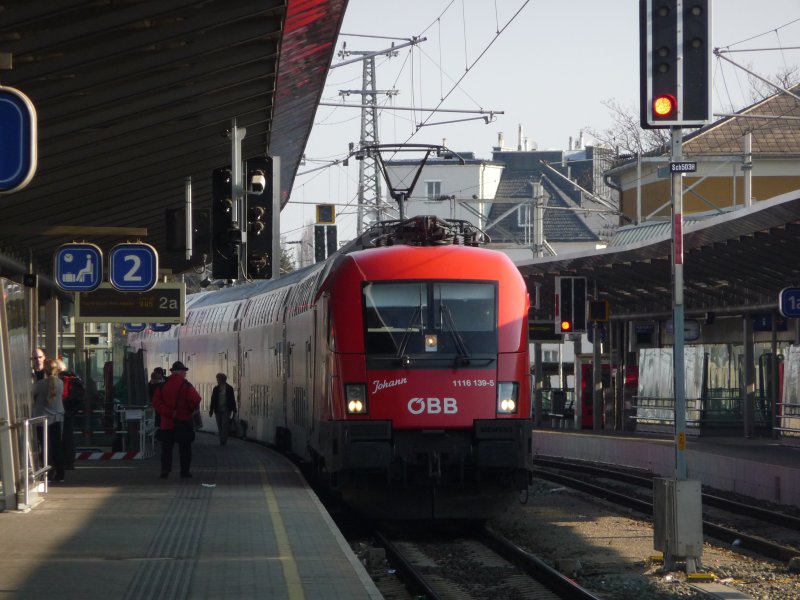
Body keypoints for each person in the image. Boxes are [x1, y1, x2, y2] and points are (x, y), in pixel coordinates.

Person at [153, 361, 201, 479]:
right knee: (185, 448)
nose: (185, 374)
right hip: (183, 421)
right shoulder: (186, 385)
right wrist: (188, 409)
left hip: (167, 423)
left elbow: (156, 403)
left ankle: (165, 469)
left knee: (166, 448)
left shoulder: (163, 385)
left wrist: (168, 412)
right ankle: (184, 471)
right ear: (180, 372)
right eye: (184, 372)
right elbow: (196, 399)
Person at [32, 358, 65, 482]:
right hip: (57, 418)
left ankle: (48, 473)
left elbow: (32, 393)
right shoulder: (60, 383)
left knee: (45, 447)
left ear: (45, 370)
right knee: (57, 446)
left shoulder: (40, 384)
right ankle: (60, 474)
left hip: (42, 420)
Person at [57, 358, 84, 471]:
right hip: (70, 411)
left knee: (62, 437)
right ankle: (69, 462)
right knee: (69, 437)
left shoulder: (61, 379)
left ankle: (64, 461)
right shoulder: (74, 378)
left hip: (61, 411)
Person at [209, 373, 237, 446]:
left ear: (222, 379)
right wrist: (211, 410)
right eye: (217, 379)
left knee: (225, 424)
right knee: (220, 425)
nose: (217, 380)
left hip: (227, 409)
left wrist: (234, 409)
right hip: (217, 409)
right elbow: (213, 400)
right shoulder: (216, 389)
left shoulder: (229, 388)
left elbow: (232, 399)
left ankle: (223, 440)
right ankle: (222, 439)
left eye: (218, 379)